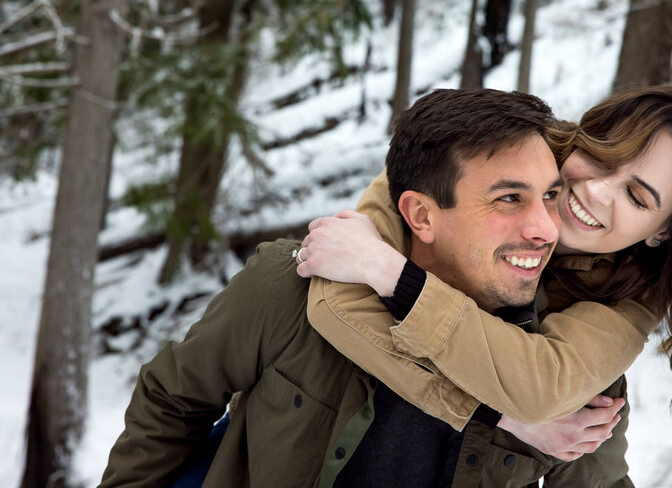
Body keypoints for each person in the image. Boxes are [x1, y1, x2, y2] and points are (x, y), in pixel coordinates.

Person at [100, 88, 628, 488]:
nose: (545, 229)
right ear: (421, 214)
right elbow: (172, 400)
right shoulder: (291, 285)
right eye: (509, 199)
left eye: (550, 195)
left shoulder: (568, 366)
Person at [299, 86, 672, 482]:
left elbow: (541, 389)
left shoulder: (630, 301)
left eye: (637, 197)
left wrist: (387, 272)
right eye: (601, 157)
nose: (596, 191)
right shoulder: (487, 149)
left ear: (663, 231)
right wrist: (503, 416)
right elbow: (335, 302)